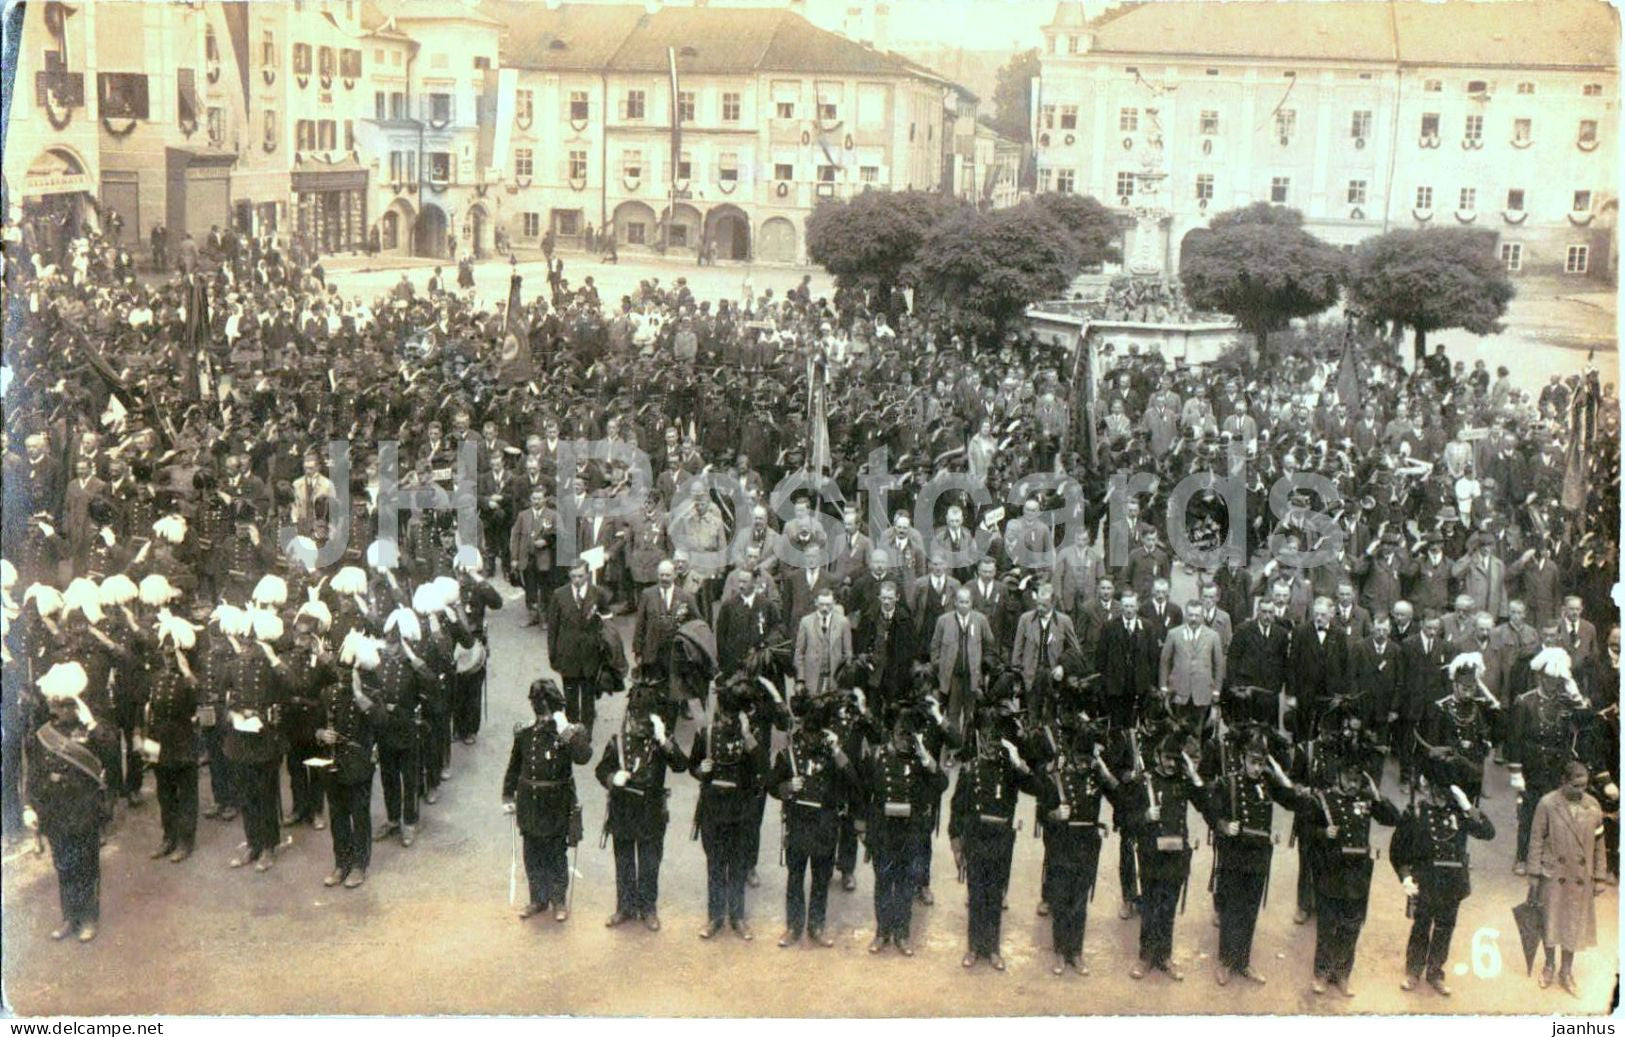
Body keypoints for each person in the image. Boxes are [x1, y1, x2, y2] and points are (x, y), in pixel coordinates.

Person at [25, 663, 120, 943]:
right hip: (54, 810)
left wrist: (92, 724)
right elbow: (34, 773)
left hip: (83, 808)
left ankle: (88, 917)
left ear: (77, 704)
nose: (60, 710)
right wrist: (30, 806)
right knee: (63, 865)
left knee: (86, 866)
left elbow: (112, 753)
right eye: (57, 704)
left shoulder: (91, 730)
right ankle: (70, 916)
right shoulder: (43, 734)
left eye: (67, 705)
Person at [1199, 734, 1297, 985]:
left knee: (1250, 910)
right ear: (1243, 758)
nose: (1256, 768)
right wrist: (1222, 825)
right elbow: (1208, 807)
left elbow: (1292, 800)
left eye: (1261, 763)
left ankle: (1243, 962)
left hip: (1258, 856)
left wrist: (1277, 772)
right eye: (1253, 761)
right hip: (1234, 856)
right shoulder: (1228, 783)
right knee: (1231, 909)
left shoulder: (1268, 783)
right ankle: (1226, 961)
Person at [949, 701, 1039, 971]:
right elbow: (957, 807)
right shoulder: (970, 769)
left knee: (995, 895)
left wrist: (1019, 762)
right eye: (986, 739)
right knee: (976, 894)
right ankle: (974, 947)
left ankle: (993, 949)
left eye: (995, 740)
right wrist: (957, 844)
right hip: (976, 839)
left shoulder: (1009, 770)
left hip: (1001, 841)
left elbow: (1039, 788)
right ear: (980, 739)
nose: (990, 746)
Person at [1391, 765, 1496, 996]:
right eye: (1435, 791)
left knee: (1445, 928)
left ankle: (1435, 972)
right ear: (1427, 788)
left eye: (1444, 792)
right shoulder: (1415, 813)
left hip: (1452, 881)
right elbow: (1398, 851)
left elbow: (1488, 833)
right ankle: (1413, 971)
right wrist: (1405, 877)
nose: (1439, 797)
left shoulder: (1459, 813)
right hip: (1425, 880)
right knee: (1421, 926)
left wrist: (1468, 806)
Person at [1305, 758, 1403, 996]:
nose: (1352, 785)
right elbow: (1305, 830)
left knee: (1351, 926)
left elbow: (1393, 818)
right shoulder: (1324, 799)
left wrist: (1376, 794)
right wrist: (1323, 833)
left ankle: (1342, 973)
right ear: (1339, 776)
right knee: (1328, 926)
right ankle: (1321, 972)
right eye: (1348, 779)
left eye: (1357, 780)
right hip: (1331, 871)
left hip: (1357, 874)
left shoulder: (1366, 799)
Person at [768, 695, 857, 948]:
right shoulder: (789, 754)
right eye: (808, 733)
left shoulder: (832, 754)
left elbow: (853, 781)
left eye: (817, 734)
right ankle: (794, 926)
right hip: (798, 823)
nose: (811, 739)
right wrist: (787, 786)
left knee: (821, 879)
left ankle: (816, 926)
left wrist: (837, 751)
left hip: (825, 825)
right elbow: (771, 785)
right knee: (795, 877)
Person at [859, 704, 948, 956]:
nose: (904, 740)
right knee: (883, 883)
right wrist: (863, 827)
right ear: (892, 733)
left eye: (909, 735)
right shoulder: (878, 757)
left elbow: (942, 783)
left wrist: (926, 758)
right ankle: (882, 932)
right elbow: (864, 793)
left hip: (909, 832)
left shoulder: (919, 761)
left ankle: (902, 933)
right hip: (884, 831)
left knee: (905, 885)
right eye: (900, 734)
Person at [596, 683, 686, 930]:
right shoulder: (618, 741)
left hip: (650, 809)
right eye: (635, 715)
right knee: (624, 860)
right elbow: (601, 769)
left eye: (643, 717)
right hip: (623, 808)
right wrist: (612, 777)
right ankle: (624, 907)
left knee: (649, 863)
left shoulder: (660, 743)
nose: (638, 723)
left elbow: (681, 765)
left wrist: (663, 739)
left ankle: (648, 908)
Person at [503, 678, 592, 921]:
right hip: (530, 801)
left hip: (556, 802)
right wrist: (507, 794)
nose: (540, 713)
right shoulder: (525, 733)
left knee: (555, 853)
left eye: (543, 705)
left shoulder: (568, 732)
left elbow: (583, 756)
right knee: (532, 852)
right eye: (536, 704)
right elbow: (515, 765)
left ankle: (558, 900)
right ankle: (538, 899)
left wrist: (564, 728)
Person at [690, 678, 764, 940]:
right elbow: (692, 766)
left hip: (740, 812)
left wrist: (747, 735)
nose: (728, 721)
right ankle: (715, 917)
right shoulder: (707, 735)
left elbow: (763, 769)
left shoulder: (750, 737)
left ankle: (738, 917)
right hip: (713, 811)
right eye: (725, 715)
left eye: (734, 716)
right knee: (715, 865)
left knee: (738, 865)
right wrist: (701, 770)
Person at [1126, 735, 1205, 980]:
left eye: (1175, 759)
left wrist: (1193, 774)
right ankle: (1146, 957)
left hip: (1176, 853)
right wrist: (1145, 817)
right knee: (1150, 906)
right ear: (1157, 756)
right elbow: (1126, 820)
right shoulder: (1144, 781)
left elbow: (1207, 804)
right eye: (1167, 758)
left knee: (1169, 907)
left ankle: (1164, 956)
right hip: (1151, 854)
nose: (1171, 764)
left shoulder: (1184, 781)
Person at [1528, 760, 1608, 996]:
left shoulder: (1593, 806)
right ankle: (1549, 966)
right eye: (1575, 785)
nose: (1580, 790)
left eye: (1584, 786)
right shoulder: (1547, 804)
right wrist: (1534, 873)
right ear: (1563, 781)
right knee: (1550, 921)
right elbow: (1535, 839)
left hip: (1580, 877)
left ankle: (1566, 971)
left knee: (1573, 923)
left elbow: (1600, 844)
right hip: (1553, 875)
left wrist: (1600, 877)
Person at [545, 562, 609, 731]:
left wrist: (606, 651)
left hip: (590, 656)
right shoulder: (559, 595)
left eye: (580, 576)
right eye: (573, 576)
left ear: (587, 574)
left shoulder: (598, 593)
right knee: (570, 699)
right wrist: (553, 655)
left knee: (588, 699)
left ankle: (587, 733)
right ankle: (572, 733)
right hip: (568, 656)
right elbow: (553, 628)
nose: (577, 580)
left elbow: (607, 623)